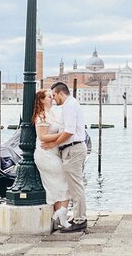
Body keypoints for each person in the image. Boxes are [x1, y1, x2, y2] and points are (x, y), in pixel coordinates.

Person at [43, 82, 88, 233]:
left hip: (73, 149)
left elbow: (68, 132)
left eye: (54, 95)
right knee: (74, 186)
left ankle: (80, 220)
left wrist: (53, 143)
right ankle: (78, 217)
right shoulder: (71, 105)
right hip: (73, 149)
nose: (54, 99)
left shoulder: (69, 106)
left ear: (61, 93)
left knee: (75, 186)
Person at [32, 89, 71, 231]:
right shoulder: (42, 116)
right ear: (42, 100)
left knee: (58, 186)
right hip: (45, 154)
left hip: (52, 153)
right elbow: (42, 137)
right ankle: (60, 216)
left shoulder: (52, 114)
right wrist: (63, 134)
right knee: (64, 184)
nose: (52, 98)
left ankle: (59, 218)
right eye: (49, 96)